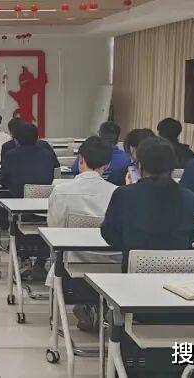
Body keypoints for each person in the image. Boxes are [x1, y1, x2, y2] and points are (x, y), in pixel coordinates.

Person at [47, 136, 120, 331]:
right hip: (114, 266)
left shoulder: (61, 191)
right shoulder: (119, 193)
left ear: (80, 159)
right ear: (107, 165)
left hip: (73, 265)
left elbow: (53, 230)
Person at [101, 136, 194, 270]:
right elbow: (192, 234)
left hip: (134, 274)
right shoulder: (188, 197)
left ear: (139, 165)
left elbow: (109, 233)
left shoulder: (124, 194)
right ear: (172, 166)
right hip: (177, 274)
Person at [0, 123, 58, 198]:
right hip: (44, 198)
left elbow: (3, 181)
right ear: (37, 139)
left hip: (17, 199)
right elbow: (55, 171)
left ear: (16, 140)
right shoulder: (48, 154)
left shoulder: (10, 155)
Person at [72, 121, 132, 186]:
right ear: (118, 139)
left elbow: (74, 169)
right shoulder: (126, 158)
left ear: (99, 135)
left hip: (86, 187)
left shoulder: (87, 152)